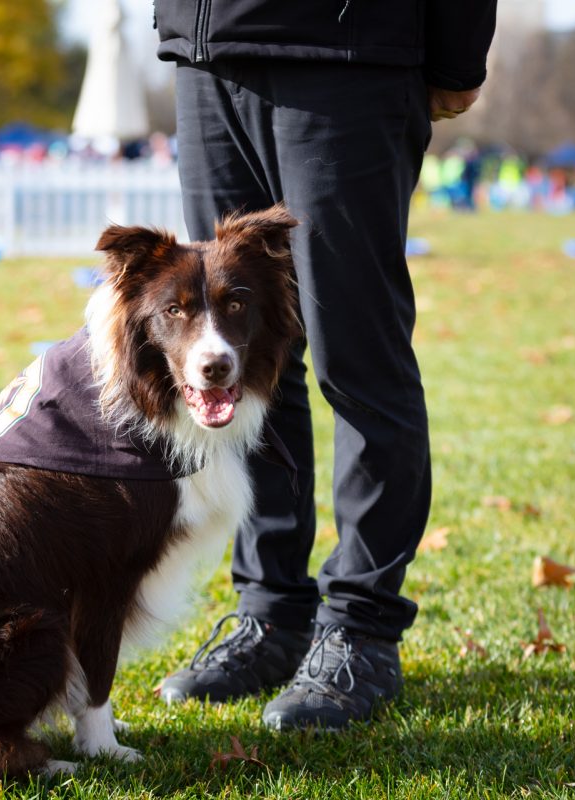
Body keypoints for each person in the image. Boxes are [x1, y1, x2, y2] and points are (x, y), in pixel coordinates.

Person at [152, 1, 497, 730]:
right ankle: (270, 615)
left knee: (357, 358)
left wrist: (457, 55)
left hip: (349, 48)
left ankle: (362, 630)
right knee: (245, 363)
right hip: (207, 52)